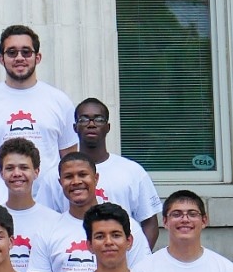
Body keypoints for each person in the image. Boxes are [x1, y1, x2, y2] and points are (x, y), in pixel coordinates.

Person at [57, 98, 162, 247]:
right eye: (84, 119)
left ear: (108, 127)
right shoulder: (57, 174)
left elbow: (150, 223)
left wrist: (134, 262)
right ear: (75, 127)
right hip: (71, 260)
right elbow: (47, 222)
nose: (91, 124)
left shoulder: (132, 171)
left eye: (99, 119)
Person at [0, 25, 76, 177]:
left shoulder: (60, 101)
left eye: (26, 52)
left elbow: (69, 158)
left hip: (48, 199)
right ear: (1, 59)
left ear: (38, 57)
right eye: (12, 52)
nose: (20, 58)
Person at [0, 137, 63, 272]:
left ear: (36, 172)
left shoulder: (55, 221)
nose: (17, 173)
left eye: (24, 167)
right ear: (1, 173)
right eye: (10, 168)